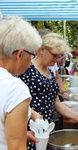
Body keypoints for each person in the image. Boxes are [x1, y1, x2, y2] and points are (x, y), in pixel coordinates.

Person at [19, 32, 78, 150]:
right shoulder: (26, 69)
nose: (56, 60)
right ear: (42, 50)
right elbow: (14, 101)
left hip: (47, 128)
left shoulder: (50, 72)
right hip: (28, 129)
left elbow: (56, 103)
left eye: (59, 56)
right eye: (54, 56)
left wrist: (77, 116)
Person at [0, 16, 42, 150]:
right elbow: (16, 147)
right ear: (19, 54)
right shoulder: (16, 88)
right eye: (31, 56)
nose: (31, 61)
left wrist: (20, 133)